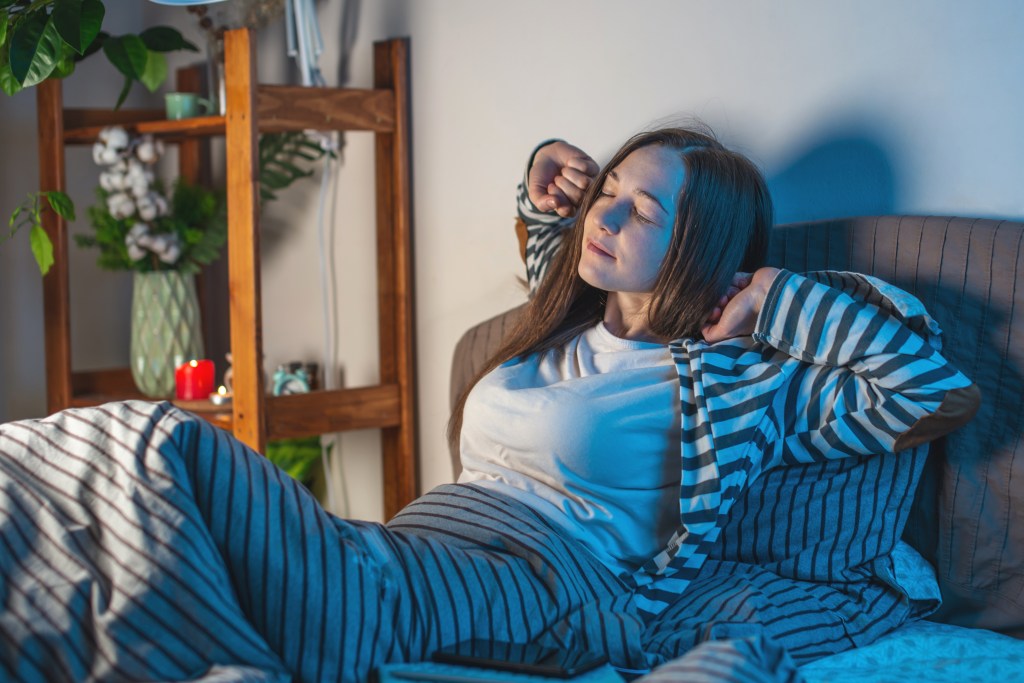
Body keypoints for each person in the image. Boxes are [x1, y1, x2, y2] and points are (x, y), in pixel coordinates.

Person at [0, 126, 979, 683]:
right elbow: (547, 219)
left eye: (643, 207)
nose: (604, 210)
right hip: (427, 540)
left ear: (704, 246)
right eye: (608, 190)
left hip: (556, 583)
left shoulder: (740, 382)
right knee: (152, 523)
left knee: (164, 441)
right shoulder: (556, 322)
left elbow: (932, 392)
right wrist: (549, 173)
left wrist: (776, 297)